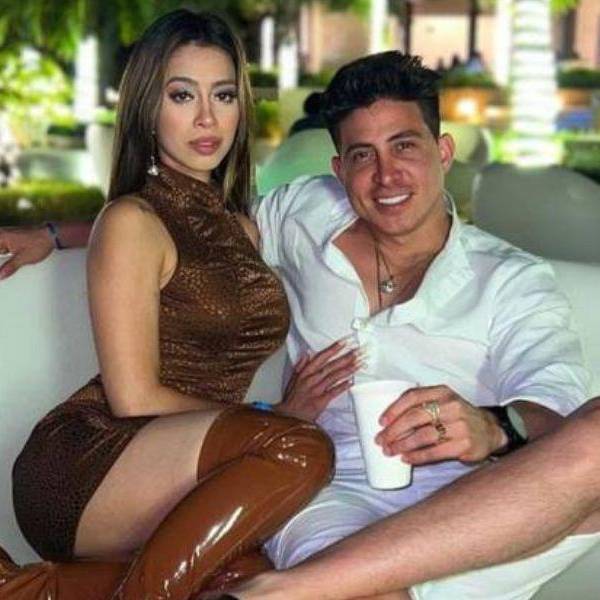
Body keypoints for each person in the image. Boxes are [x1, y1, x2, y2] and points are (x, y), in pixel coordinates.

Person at [2, 50, 600, 599]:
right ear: (339, 168)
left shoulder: (512, 278)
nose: (386, 175)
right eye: (363, 156)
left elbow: (556, 415)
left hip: (484, 504)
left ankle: (277, 590)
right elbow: (183, 227)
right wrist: (55, 234)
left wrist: (493, 426)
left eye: (405, 146)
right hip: (328, 495)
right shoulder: (305, 214)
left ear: (443, 152)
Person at [0, 9, 341, 599]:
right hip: (94, 460)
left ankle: (30, 590)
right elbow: (133, 398)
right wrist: (272, 416)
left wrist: (56, 234)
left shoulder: (245, 225)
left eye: (223, 95)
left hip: (191, 463)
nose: (208, 118)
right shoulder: (132, 219)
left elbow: (187, 241)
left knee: (248, 577)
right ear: (147, 108)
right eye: (182, 95)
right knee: (302, 449)